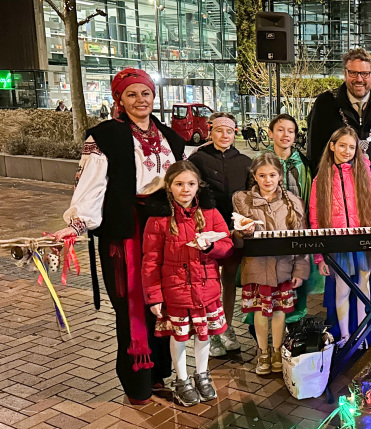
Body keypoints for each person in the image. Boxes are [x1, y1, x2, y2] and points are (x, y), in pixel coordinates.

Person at [52, 67, 186, 405]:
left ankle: (159, 373)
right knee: (131, 306)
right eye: (132, 94)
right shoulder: (104, 137)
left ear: (154, 96)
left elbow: (185, 184)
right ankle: (137, 380)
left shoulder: (171, 138)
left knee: (164, 301)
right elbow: (91, 186)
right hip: (126, 232)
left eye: (146, 93)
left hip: (164, 230)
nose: (141, 100)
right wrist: (77, 224)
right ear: (119, 99)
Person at [142, 161, 234, 406]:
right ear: (169, 186)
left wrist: (211, 246)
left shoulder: (210, 213)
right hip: (176, 290)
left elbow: (227, 245)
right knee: (180, 336)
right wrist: (154, 296)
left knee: (203, 335)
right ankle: (182, 379)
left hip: (206, 287)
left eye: (191, 184)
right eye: (179, 184)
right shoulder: (158, 219)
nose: (185, 189)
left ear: (198, 185)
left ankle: (202, 374)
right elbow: (151, 261)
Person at [309, 127, 371, 346]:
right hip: (339, 246)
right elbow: (315, 220)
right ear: (332, 146)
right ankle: (345, 336)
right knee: (342, 290)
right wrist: (319, 256)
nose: (347, 151)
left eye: (352, 147)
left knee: (364, 290)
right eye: (342, 145)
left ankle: (362, 335)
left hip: (363, 245)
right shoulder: (321, 180)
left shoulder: (365, 176)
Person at [306, 48, 371, 218]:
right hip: (338, 205)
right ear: (345, 73)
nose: (359, 79)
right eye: (353, 73)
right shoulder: (325, 104)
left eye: (365, 73)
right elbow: (315, 153)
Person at [232, 153, 310, 375]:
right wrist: (241, 232)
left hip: (283, 267)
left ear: (280, 176)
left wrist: (299, 269)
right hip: (256, 267)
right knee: (260, 310)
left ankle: (276, 350)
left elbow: (301, 240)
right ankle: (263, 351)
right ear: (254, 176)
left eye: (272, 175)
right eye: (262, 175)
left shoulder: (293, 202)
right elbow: (238, 241)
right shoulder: (242, 200)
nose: (267, 180)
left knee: (279, 311)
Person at [187, 112, 251, 357]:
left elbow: (249, 195)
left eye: (229, 131)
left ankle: (226, 327)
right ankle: (211, 331)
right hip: (207, 228)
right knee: (208, 281)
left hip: (234, 229)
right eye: (219, 130)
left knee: (229, 280)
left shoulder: (244, 161)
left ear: (235, 134)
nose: (224, 135)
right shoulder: (198, 159)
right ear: (210, 131)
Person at [257, 113, 323, 324]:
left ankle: (294, 321)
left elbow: (309, 195)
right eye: (280, 130)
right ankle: (262, 323)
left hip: (296, 228)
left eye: (291, 131)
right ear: (271, 133)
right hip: (269, 229)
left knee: (297, 276)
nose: (286, 135)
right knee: (267, 278)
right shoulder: (261, 162)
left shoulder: (302, 164)